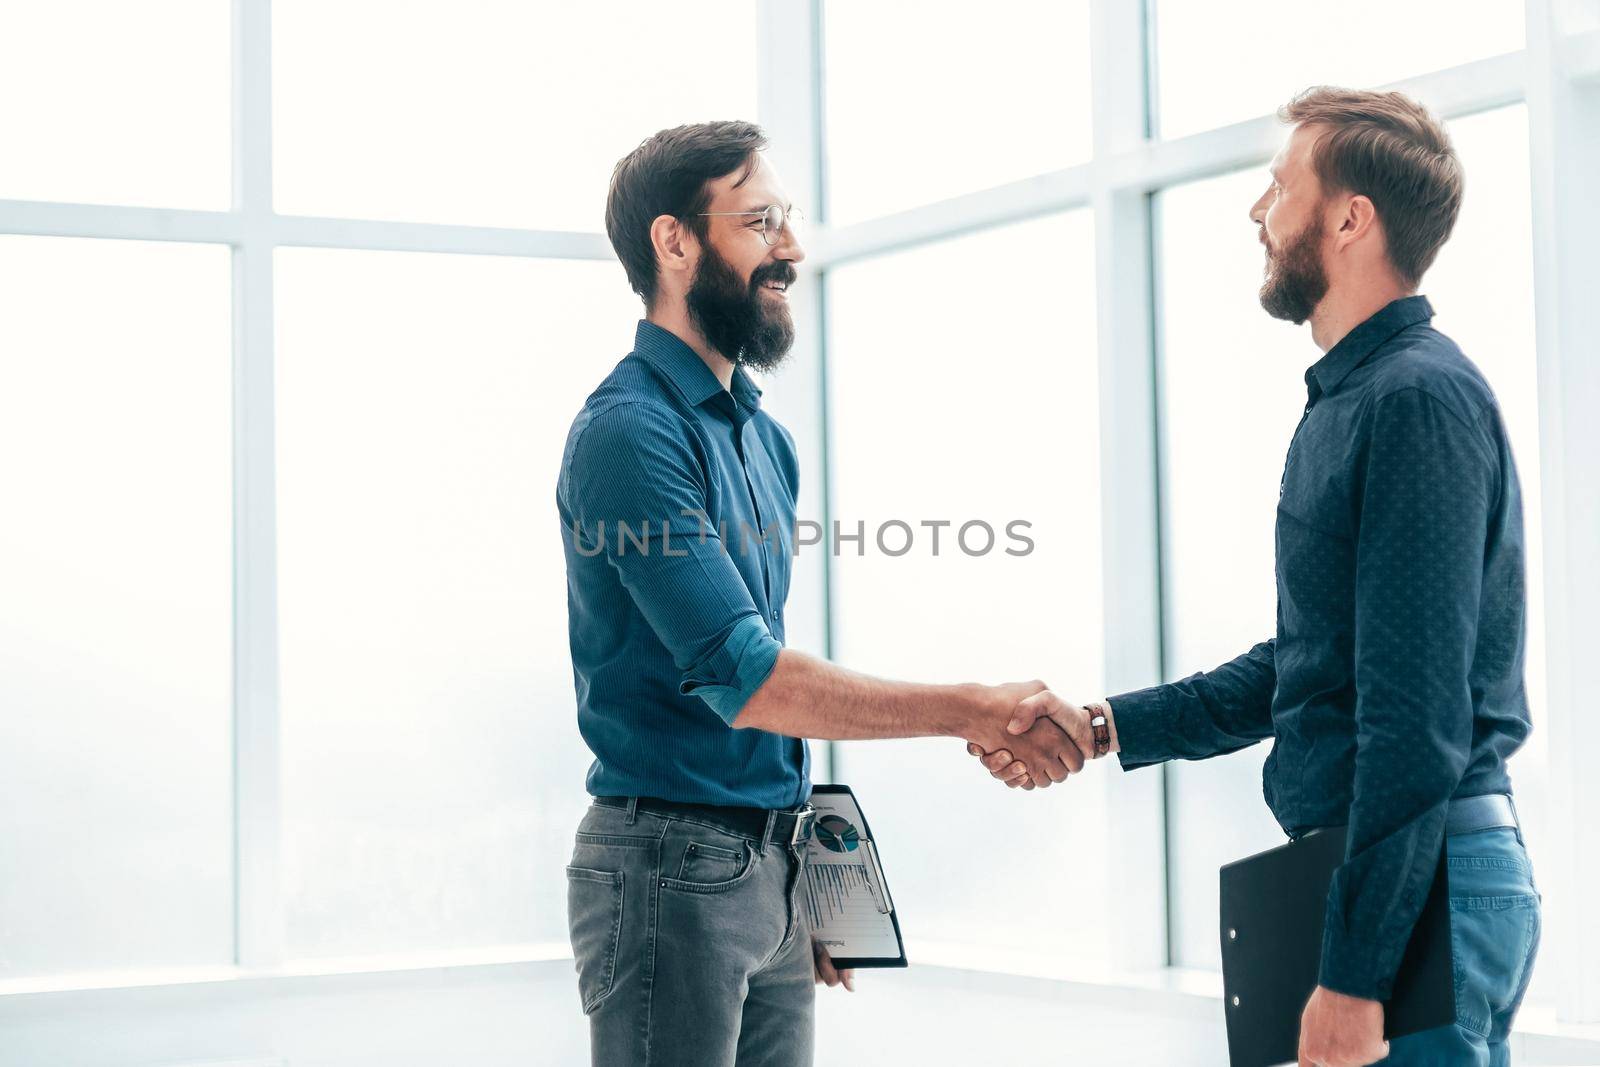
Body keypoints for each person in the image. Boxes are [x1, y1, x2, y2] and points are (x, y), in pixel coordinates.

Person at [974, 88, 1539, 1066]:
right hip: (1380, 871)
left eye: (1280, 187)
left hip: (1417, 885)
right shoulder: (1352, 400)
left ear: (1348, 217)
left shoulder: (1415, 401)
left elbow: (1417, 716)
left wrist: (1358, 975)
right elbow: (1314, 662)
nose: (1256, 212)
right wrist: (1106, 723)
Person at [559, 120, 1080, 1067]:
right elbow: (749, 679)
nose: (790, 248)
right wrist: (972, 707)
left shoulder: (766, 442)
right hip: (670, 872)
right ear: (674, 242)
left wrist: (810, 874)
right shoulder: (629, 435)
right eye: (760, 222)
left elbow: (771, 683)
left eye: (787, 220)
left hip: (767, 869)